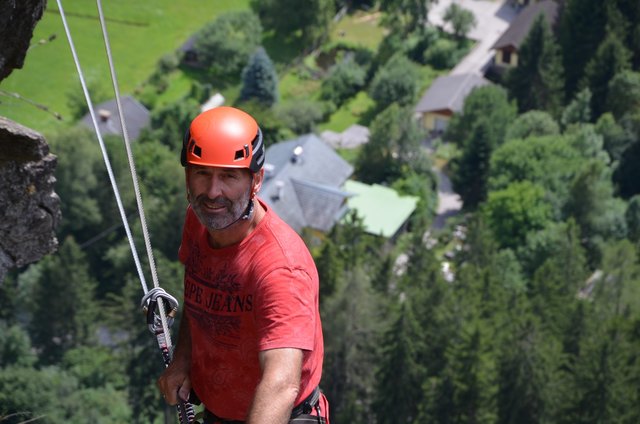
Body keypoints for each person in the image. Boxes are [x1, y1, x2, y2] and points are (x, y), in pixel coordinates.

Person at [157, 106, 329, 424]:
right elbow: (199, 295)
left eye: (229, 176)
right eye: (202, 173)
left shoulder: (280, 270)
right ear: (187, 176)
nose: (212, 192)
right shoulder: (198, 222)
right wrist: (183, 357)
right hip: (221, 411)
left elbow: (281, 384)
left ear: (256, 180)